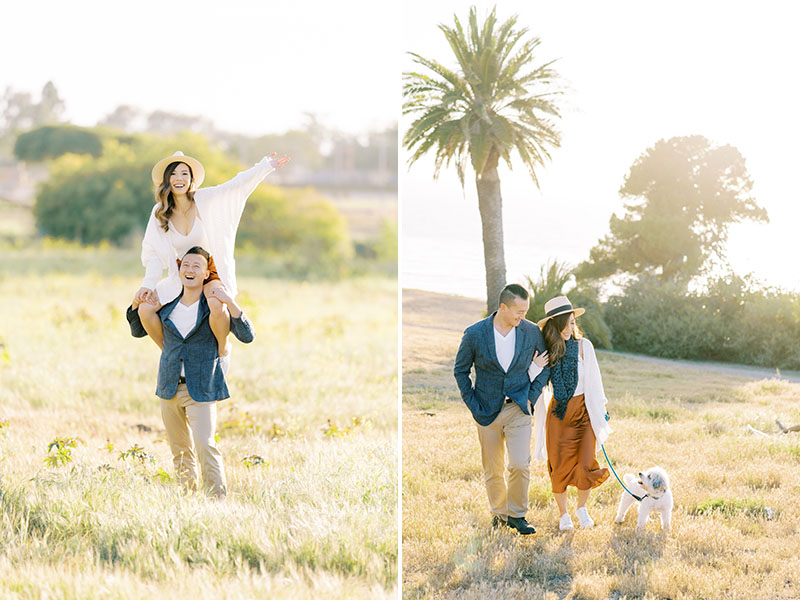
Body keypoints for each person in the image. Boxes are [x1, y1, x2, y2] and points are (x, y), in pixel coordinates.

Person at [127, 246, 255, 498]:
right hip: (169, 386)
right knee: (179, 449)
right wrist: (136, 303)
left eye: (197, 266)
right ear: (179, 269)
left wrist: (230, 301)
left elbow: (247, 336)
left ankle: (216, 499)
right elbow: (137, 330)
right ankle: (187, 498)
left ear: (207, 274)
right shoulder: (167, 306)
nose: (190, 269)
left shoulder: (213, 308)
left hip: (202, 387)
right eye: (185, 264)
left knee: (205, 445)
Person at [133, 150, 288, 356]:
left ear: (191, 179)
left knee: (216, 304)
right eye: (173, 174)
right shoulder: (160, 211)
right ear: (166, 180)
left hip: (210, 271)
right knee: (145, 309)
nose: (179, 178)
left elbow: (235, 185)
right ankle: (172, 354)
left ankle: (222, 351)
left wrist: (265, 166)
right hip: (181, 274)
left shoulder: (205, 199)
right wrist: (148, 284)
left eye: (184, 174)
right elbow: (151, 252)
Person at [454, 284, 551, 535]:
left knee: (520, 464)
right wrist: (473, 404)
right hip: (486, 410)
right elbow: (461, 371)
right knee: (493, 468)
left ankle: (517, 515)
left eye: (526, 311)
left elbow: (546, 366)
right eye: (519, 311)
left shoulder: (531, 332)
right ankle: (499, 514)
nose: (523, 316)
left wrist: (531, 396)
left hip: (519, 408)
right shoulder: (475, 333)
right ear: (503, 307)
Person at [529, 296, 611, 530]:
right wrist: (536, 365)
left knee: (586, 461)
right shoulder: (546, 350)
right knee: (560, 465)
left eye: (573, 323)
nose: (569, 328)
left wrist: (601, 410)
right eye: (565, 324)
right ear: (554, 325)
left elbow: (595, 381)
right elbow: (534, 379)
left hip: (584, 412)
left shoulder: (584, 346)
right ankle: (564, 514)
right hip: (559, 414)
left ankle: (581, 509)